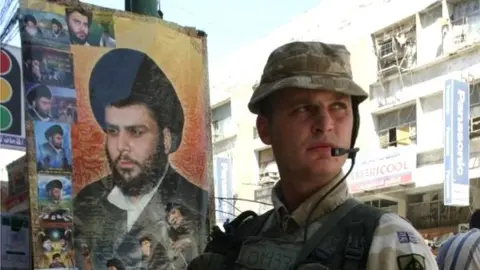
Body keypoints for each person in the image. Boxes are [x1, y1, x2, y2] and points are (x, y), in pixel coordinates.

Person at [188, 41, 437, 269]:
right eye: (303, 108)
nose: (325, 124)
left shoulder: (388, 241)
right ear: (265, 130)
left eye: (338, 106)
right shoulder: (242, 239)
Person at [73, 48, 209, 270]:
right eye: (113, 131)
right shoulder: (86, 202)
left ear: (165, 139)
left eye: (136, 132)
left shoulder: (195, 203)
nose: (121, 146)